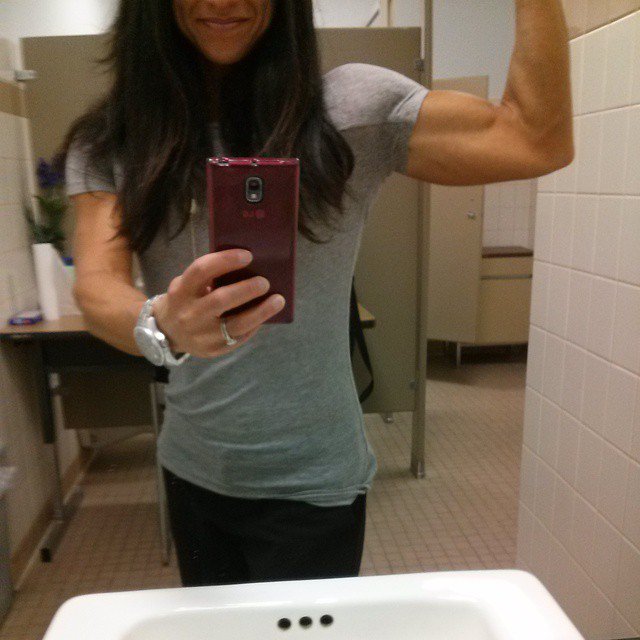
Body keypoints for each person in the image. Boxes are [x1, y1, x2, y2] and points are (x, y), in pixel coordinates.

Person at [60, 0, 573, 587]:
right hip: (194, 471)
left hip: (315, 483)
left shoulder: (351, 109)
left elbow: (537, 140)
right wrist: (162, 323)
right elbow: (95, 286)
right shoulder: (114, 141)